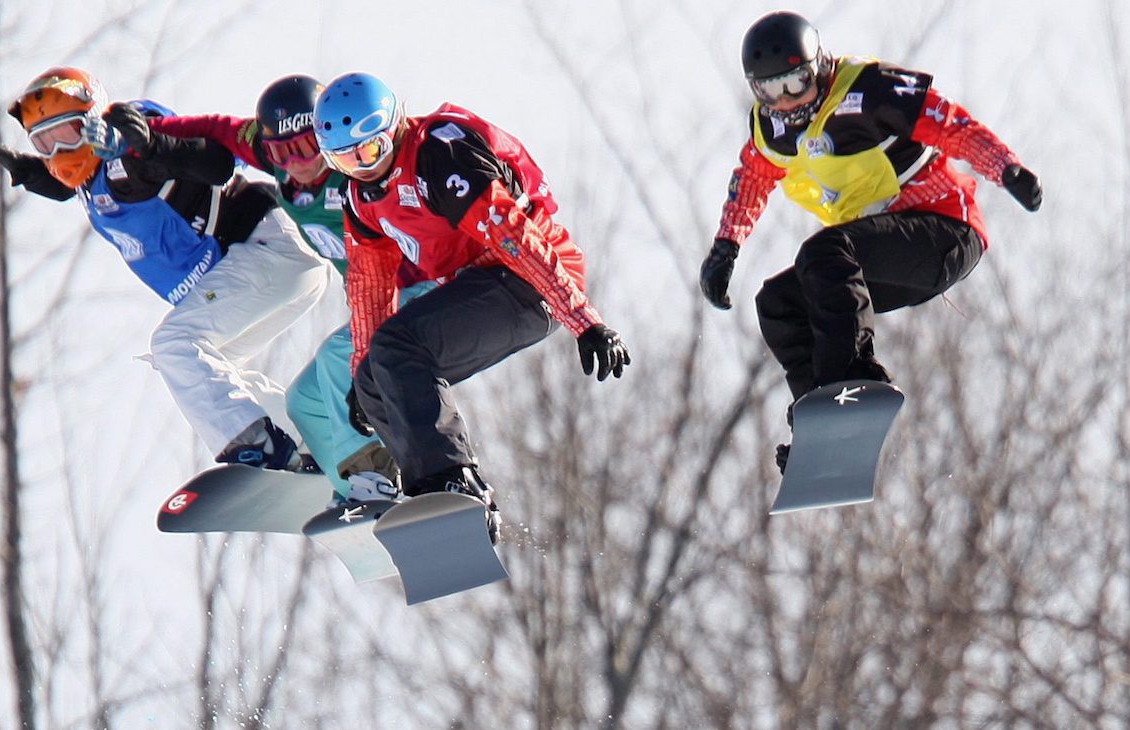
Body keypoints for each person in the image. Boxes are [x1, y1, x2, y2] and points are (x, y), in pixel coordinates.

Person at [698, 12, 1042, 472]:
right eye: (771, 92)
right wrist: (726, 248)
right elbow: (753, 179)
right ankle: (822, 423)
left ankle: (857, 383)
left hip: (943, 231)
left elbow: (948, 122)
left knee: (823, 253)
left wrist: (1005, 168)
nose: (785, 102)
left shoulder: (867, 91)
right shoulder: (773, 130)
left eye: (796, 85)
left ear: (818, 68)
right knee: (780, 302)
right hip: (881, 255)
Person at [312, 72, 631, 541]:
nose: (363, 168)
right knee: (377, 374)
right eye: (344, 159)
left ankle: (455, 482)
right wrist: (363, 376)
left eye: (369, 151)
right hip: (483, 286)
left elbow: (513, 236)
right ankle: (422, 490)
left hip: (530, 279)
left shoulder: (438, 155)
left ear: (394, 128)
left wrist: (583, 320)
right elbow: (368, 287)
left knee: (399, 344)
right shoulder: (362, 198)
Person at [0, 67, 330, 472]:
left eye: (68, 134)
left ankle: (259, 446)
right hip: (268, 268)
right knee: (202, 368)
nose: (59, 153)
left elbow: (214, 165)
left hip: (266, 246)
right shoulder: (93, 178)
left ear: (94, 121)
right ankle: (316, 446)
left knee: (176, 345)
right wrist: (32, 172)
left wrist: (149, 145)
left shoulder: (129, 147)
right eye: (44, 141)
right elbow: (78, 183)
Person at [146, 74, 439, 505]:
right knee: (306, 402)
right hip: (375, 306)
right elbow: (216, 129)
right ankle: (349, 491)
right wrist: (144, 137)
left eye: (306, 147)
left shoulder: (358, 171)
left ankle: (380, 477)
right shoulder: (277, 163)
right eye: (283, 152)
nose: (298, 162)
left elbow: (413, 155)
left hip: (420, 293)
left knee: (338, 362)